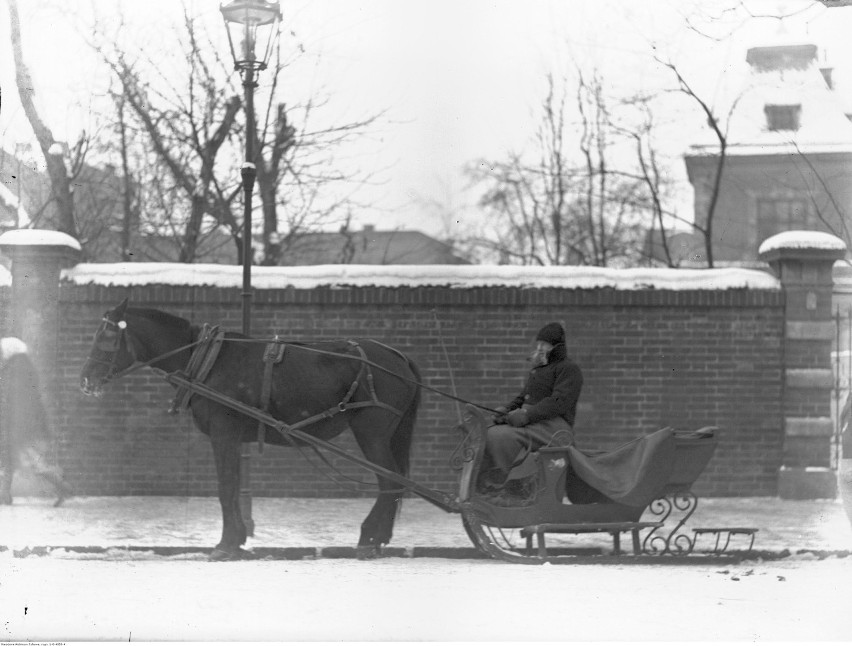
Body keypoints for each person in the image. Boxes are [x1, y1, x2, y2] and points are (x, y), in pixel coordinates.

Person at [479, 322, 583, 491]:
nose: (540, 347)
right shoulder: (539, 370)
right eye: (539, 344)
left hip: (554, 428)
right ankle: (491, 484)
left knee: (501, 437)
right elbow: (522, 397)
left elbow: (559, 402)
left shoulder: (569, 369)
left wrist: (527, 414)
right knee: (489, 431)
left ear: (556, 346)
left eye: (544, 344)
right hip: (535, 423)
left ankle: (516, 487)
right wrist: (506, 410)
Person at [0, 337, 72, 507]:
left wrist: (15, 427)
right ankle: (5, 496)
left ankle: (62, 487)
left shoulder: (17, 368)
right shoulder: (18, 366)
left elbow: (18, 401)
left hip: (20, 427)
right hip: (18, 425)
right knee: (10, 461)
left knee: (33, 462)